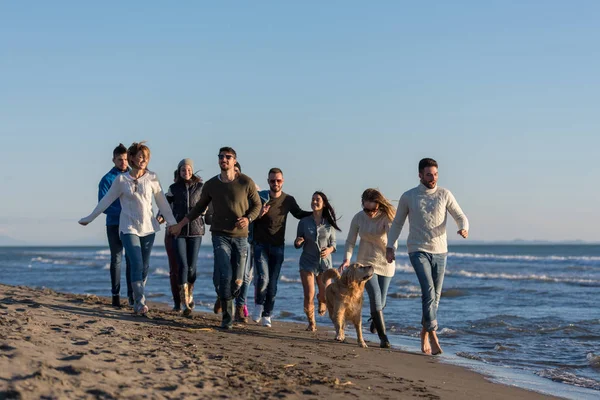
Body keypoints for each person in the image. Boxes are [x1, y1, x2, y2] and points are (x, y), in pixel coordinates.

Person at [79, 142, 177, 316]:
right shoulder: (121, 180)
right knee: (136, 263)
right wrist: (90, 218)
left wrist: (173, 223)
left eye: (146, 157)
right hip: (128, 227)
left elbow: (162, 202)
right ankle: (139, 303)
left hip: (148, 228)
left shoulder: (152, 177)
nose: (143, 160)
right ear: (132, 158)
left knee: (144, 266)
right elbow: (106, 200)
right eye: (140, 156)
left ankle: (136, 297)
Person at [169, 147, 261, 329]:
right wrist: (180, 224)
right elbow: (197, 209)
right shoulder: (211, 185)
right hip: (220, 236)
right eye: (221, 157)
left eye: (228, 157)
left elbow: (257, 204)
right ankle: (227, 317)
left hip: (241, 236)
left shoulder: (246, 182)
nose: (224, 160)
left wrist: (248, 218)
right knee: (226, 273)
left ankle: (224, 296)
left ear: (235, 160)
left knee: (239, 278)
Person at [386, 158, 469, 355]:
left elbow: (460, 216)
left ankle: (424, 331)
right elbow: (397, 223)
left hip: (440, 251)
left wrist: (463, 228)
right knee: (429, 290)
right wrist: (390, 246)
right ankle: (433, 333)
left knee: (436, 297)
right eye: (429, 174)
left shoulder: (444, 194)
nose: (433, 178)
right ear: (420, 175)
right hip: (417, 249)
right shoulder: (409, 196)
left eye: (436, 174)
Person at [251, 168, 311, 327]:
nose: (275, 183)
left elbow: (298, 214)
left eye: (278, 180)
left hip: (278, 246)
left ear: (282, 181)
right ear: (268, 181)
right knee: (263, 277)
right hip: (260, 245)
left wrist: (317, 212)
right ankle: (258, 305)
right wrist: (260, 214)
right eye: (272, 181)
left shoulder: (288, 200)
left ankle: (267, 314)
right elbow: (249, 217)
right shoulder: (261, 197)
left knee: (273, 283)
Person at [341, 188, 397, 348]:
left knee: (382, 300)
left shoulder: (387, 217)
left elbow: (393, 236)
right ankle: (383, 338)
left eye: (373, 209)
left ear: (379, 205)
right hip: (365, 264)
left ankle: (375, 318)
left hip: (385, 261)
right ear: (362, 205)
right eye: (366, 209)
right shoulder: (358, 218)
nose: (370, 213)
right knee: (375, 296)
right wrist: (347, 259)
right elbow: (350, 241)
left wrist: (391, 250)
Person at [294, 191, 340, 331]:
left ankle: (322, 301)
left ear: (324, 203)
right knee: (309, 294)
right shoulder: (303, 222)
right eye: (312, 199)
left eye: (317, 199)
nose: (314, 202)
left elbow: (334, 244)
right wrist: (298, 241)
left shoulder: (329, 224)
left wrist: (329, 250)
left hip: (325, 264)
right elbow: (297, 243)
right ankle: (311, 323)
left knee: (325, 294)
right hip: (307, 262)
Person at [167, 158, 205, 317]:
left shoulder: (201, 187)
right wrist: (163, 219)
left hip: (196, 231)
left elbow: (207, 205)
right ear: (179, 171)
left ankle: (190, 293)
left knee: (191, 267)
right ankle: (185, 303)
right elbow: (166, 207)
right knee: (182, 265)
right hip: (179, 231)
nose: (186, 172)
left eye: (189, 169)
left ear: (192, 170)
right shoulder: (173, 188)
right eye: (183, 170)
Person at [98, 143, 133, 308]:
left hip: (132, 225)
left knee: (132, 259)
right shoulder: (106, 180)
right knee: (117, 258)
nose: (123, 163)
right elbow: (103, 205)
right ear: (113, 160)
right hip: (114, 224)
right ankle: (116, 295)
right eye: (120, 160)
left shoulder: (134, 176)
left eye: (125, 159)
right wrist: (123, 212)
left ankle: (132, 295)